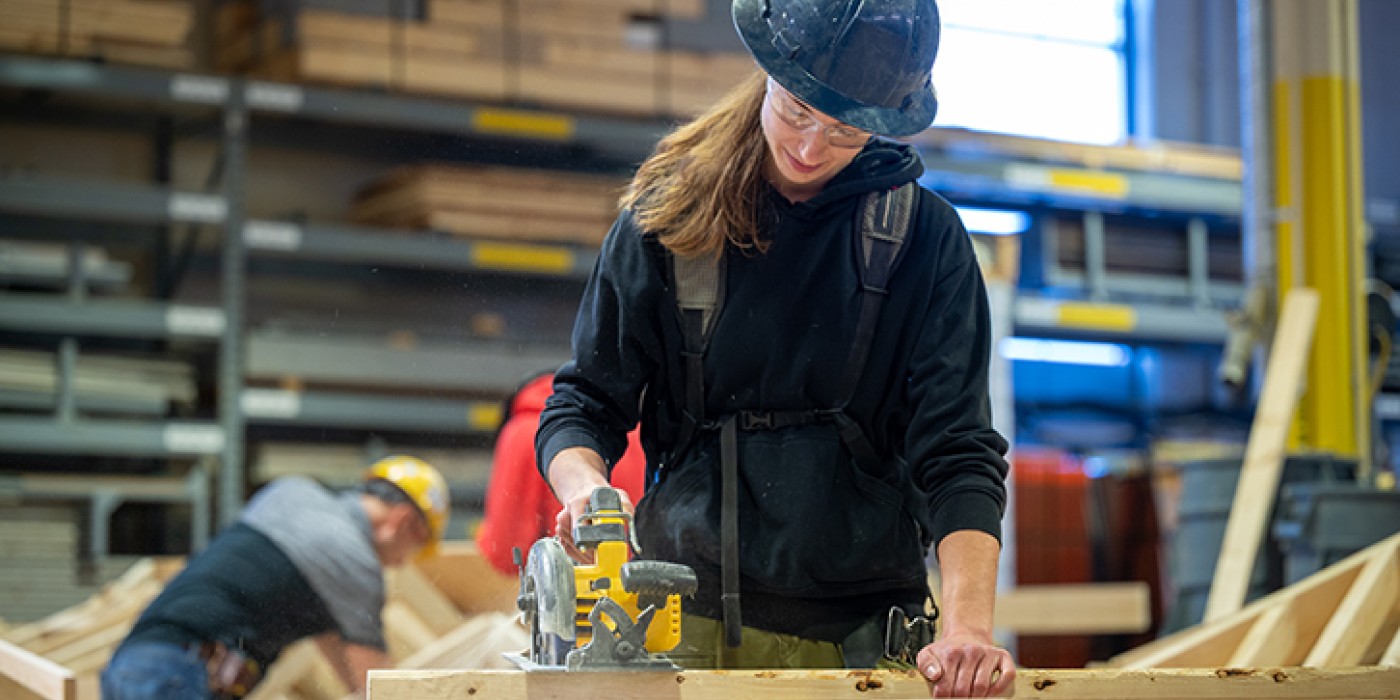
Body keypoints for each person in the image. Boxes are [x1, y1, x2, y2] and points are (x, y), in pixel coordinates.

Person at [535, 0, 1015, 697]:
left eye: (845, 129)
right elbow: (583, 404)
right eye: (795, 111)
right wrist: (585, 488)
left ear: (884, 122)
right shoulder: (668, 218)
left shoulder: (926, 242)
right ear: (766, 73)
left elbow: (959, 452)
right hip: (682, 628)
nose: (810, 149)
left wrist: (967, 629)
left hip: (864, 642)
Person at [101, 456, 450, 700]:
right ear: (402, 521)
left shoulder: (291, 493)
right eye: (415, 547)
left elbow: (336, 646)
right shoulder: (356, 563)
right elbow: (380, 687)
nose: (402, 564)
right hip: (174, 677)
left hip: (135, 666)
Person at [475, 371, 646, 575]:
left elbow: (506, 550)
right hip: (641, 584)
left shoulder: (522, 432)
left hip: (568, 588)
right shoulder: (635, 432)